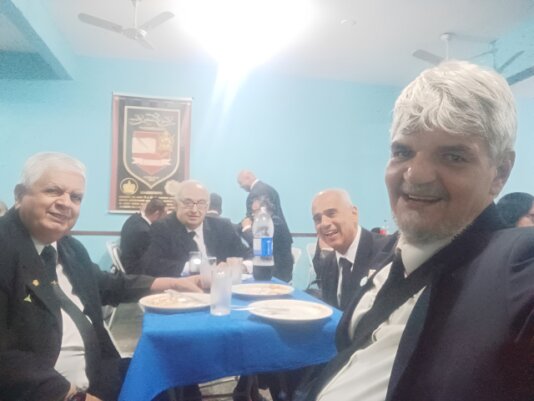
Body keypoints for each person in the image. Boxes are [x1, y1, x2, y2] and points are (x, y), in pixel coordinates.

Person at [298, 61, 534, 401]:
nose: (416, 175)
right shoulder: (394, 258)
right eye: (402, 151)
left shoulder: (516, 263)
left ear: (500, 173)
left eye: (453, 156)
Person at [0, 152, 202, 401]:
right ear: (19, 195)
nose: (65, 203)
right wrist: (71, 396)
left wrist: (174, 283)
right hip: (44, 391)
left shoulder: (69, 248)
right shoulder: (5, 248)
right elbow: (7, 358)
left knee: (174, 377)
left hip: (97, 373)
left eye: (76, 197)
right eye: (53, 191)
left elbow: (107, 284)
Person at [142, 180, 251, 277]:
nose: (194, 210)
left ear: (207, 207)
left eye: (201, 203)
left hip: (223, 287)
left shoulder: (223, 227)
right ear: (175, 204)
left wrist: (240, 267)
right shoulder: (162, 228)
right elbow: (152, 266)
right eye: (188, 203)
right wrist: (197, 267)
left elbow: (249, 255)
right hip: (184, 290)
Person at [311, 189, 392, 310]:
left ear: (354, 213)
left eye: (331, 214)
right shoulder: (328, 263)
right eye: (317, 219)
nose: (324, 223)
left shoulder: (387, 253)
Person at [239, 196, 294, 282]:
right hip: (265, 270)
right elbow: (253, 251)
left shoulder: (276, 223)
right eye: (252, 213)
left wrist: (247, 228)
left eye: (255, 212)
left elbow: (260, 247)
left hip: (278, 274)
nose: (252, 216)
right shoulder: (261, 223)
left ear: (265, 209)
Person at [119, 197, 167, 273]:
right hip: (135, 270)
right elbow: (149, 260)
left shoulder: (134, 218)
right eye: (165, 215)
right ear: (156, 214)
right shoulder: (144, 232)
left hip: (128, 262)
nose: (165, 218)